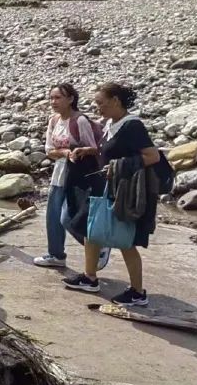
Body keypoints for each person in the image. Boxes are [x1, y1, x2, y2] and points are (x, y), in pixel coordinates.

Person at [62, 83, 160, 306]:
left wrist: (119, 166)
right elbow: (107, 150)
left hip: (124, 191)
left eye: (100, 103)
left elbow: (152, 156)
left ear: (115, 100)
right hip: (106, 187)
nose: (97, 108)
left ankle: (137, 292)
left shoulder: (132, 125)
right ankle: (90, 277)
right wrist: (89, 152)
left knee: (126, 240)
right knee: (90, 228)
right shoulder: (111, 124)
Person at [34, 83, 99, 268]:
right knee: (53, 215)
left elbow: (94, 149)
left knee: (69, 217)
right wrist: (64, 153)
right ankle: (56, 254)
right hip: (59, 172)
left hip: (78, 175)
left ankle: (97, 247)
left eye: (58, 98)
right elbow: (48, 150)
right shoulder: (54, 120)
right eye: (51, 98)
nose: (53, 102)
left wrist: (78, 152)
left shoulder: (79, 121)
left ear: (71, 99)